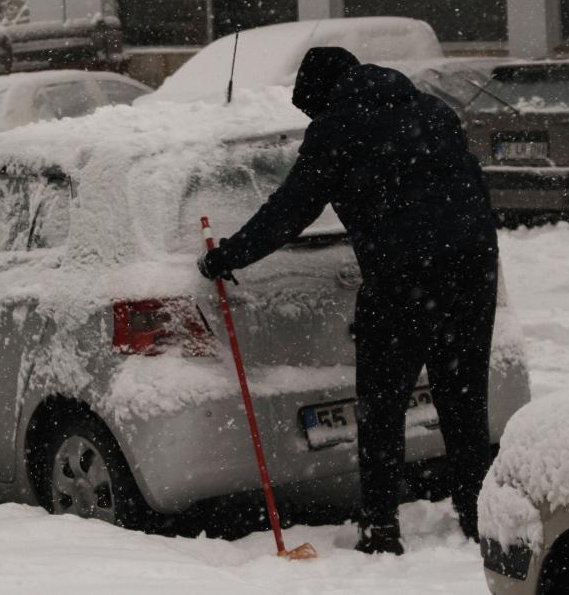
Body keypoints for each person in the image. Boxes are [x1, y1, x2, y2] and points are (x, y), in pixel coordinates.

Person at [197, 47, 498, 555]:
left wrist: (229, 256)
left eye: (310, 108)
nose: (313, 118)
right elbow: (470, 186)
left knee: (381, 407)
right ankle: (478, 517)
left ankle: (380, 529)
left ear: (321, 95)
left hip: (403, 278)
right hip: (473, 268)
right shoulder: (431, 109)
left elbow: (292, 208)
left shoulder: (338, 128)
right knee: (464, 403)